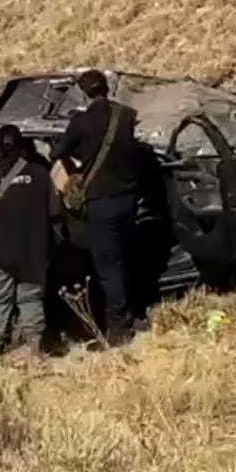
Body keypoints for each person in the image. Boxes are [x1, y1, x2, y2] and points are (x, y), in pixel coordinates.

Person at [51, 69, 141, 347]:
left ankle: (118, 328)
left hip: (101, 202)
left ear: (82, 93)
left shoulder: (81, 122)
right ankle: (135, 312)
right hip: (129, 199)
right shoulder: (126, 114)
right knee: (126, 258)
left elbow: (56, 153)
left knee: (108, 266)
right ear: (107, 88)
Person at [0, 124, 63, 359]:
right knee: (30, 298)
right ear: (24, 147)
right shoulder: (41, 174)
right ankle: (34, 347)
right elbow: (54, 209)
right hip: (32, 247)